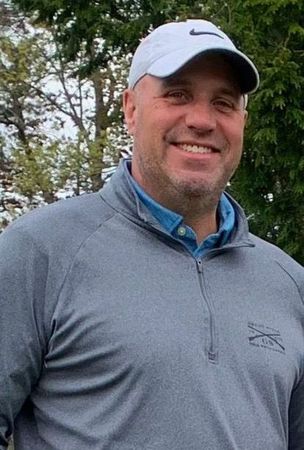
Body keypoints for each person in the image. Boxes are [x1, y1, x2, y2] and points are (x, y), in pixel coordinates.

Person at [0, 18, 303, 450]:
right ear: (130, 109)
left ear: (242, 122)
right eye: (177, 94)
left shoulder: (288, 282)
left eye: (224, 102)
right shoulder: (40, 251)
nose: (202, 120)